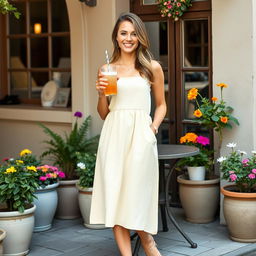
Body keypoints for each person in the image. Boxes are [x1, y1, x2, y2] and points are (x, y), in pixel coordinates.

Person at [91, 12, 167, 256]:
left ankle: (147, 241)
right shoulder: (106, 68)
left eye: (134, 33)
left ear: (140, 37)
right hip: (113, 136)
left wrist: (152, 129)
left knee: (134, 195)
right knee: (115, 195)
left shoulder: (151, 67)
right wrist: (102, 94)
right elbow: (104, 113)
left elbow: (162, 104)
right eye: (124, 33)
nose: (128, 38)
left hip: (140, 137)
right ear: (116, 36)